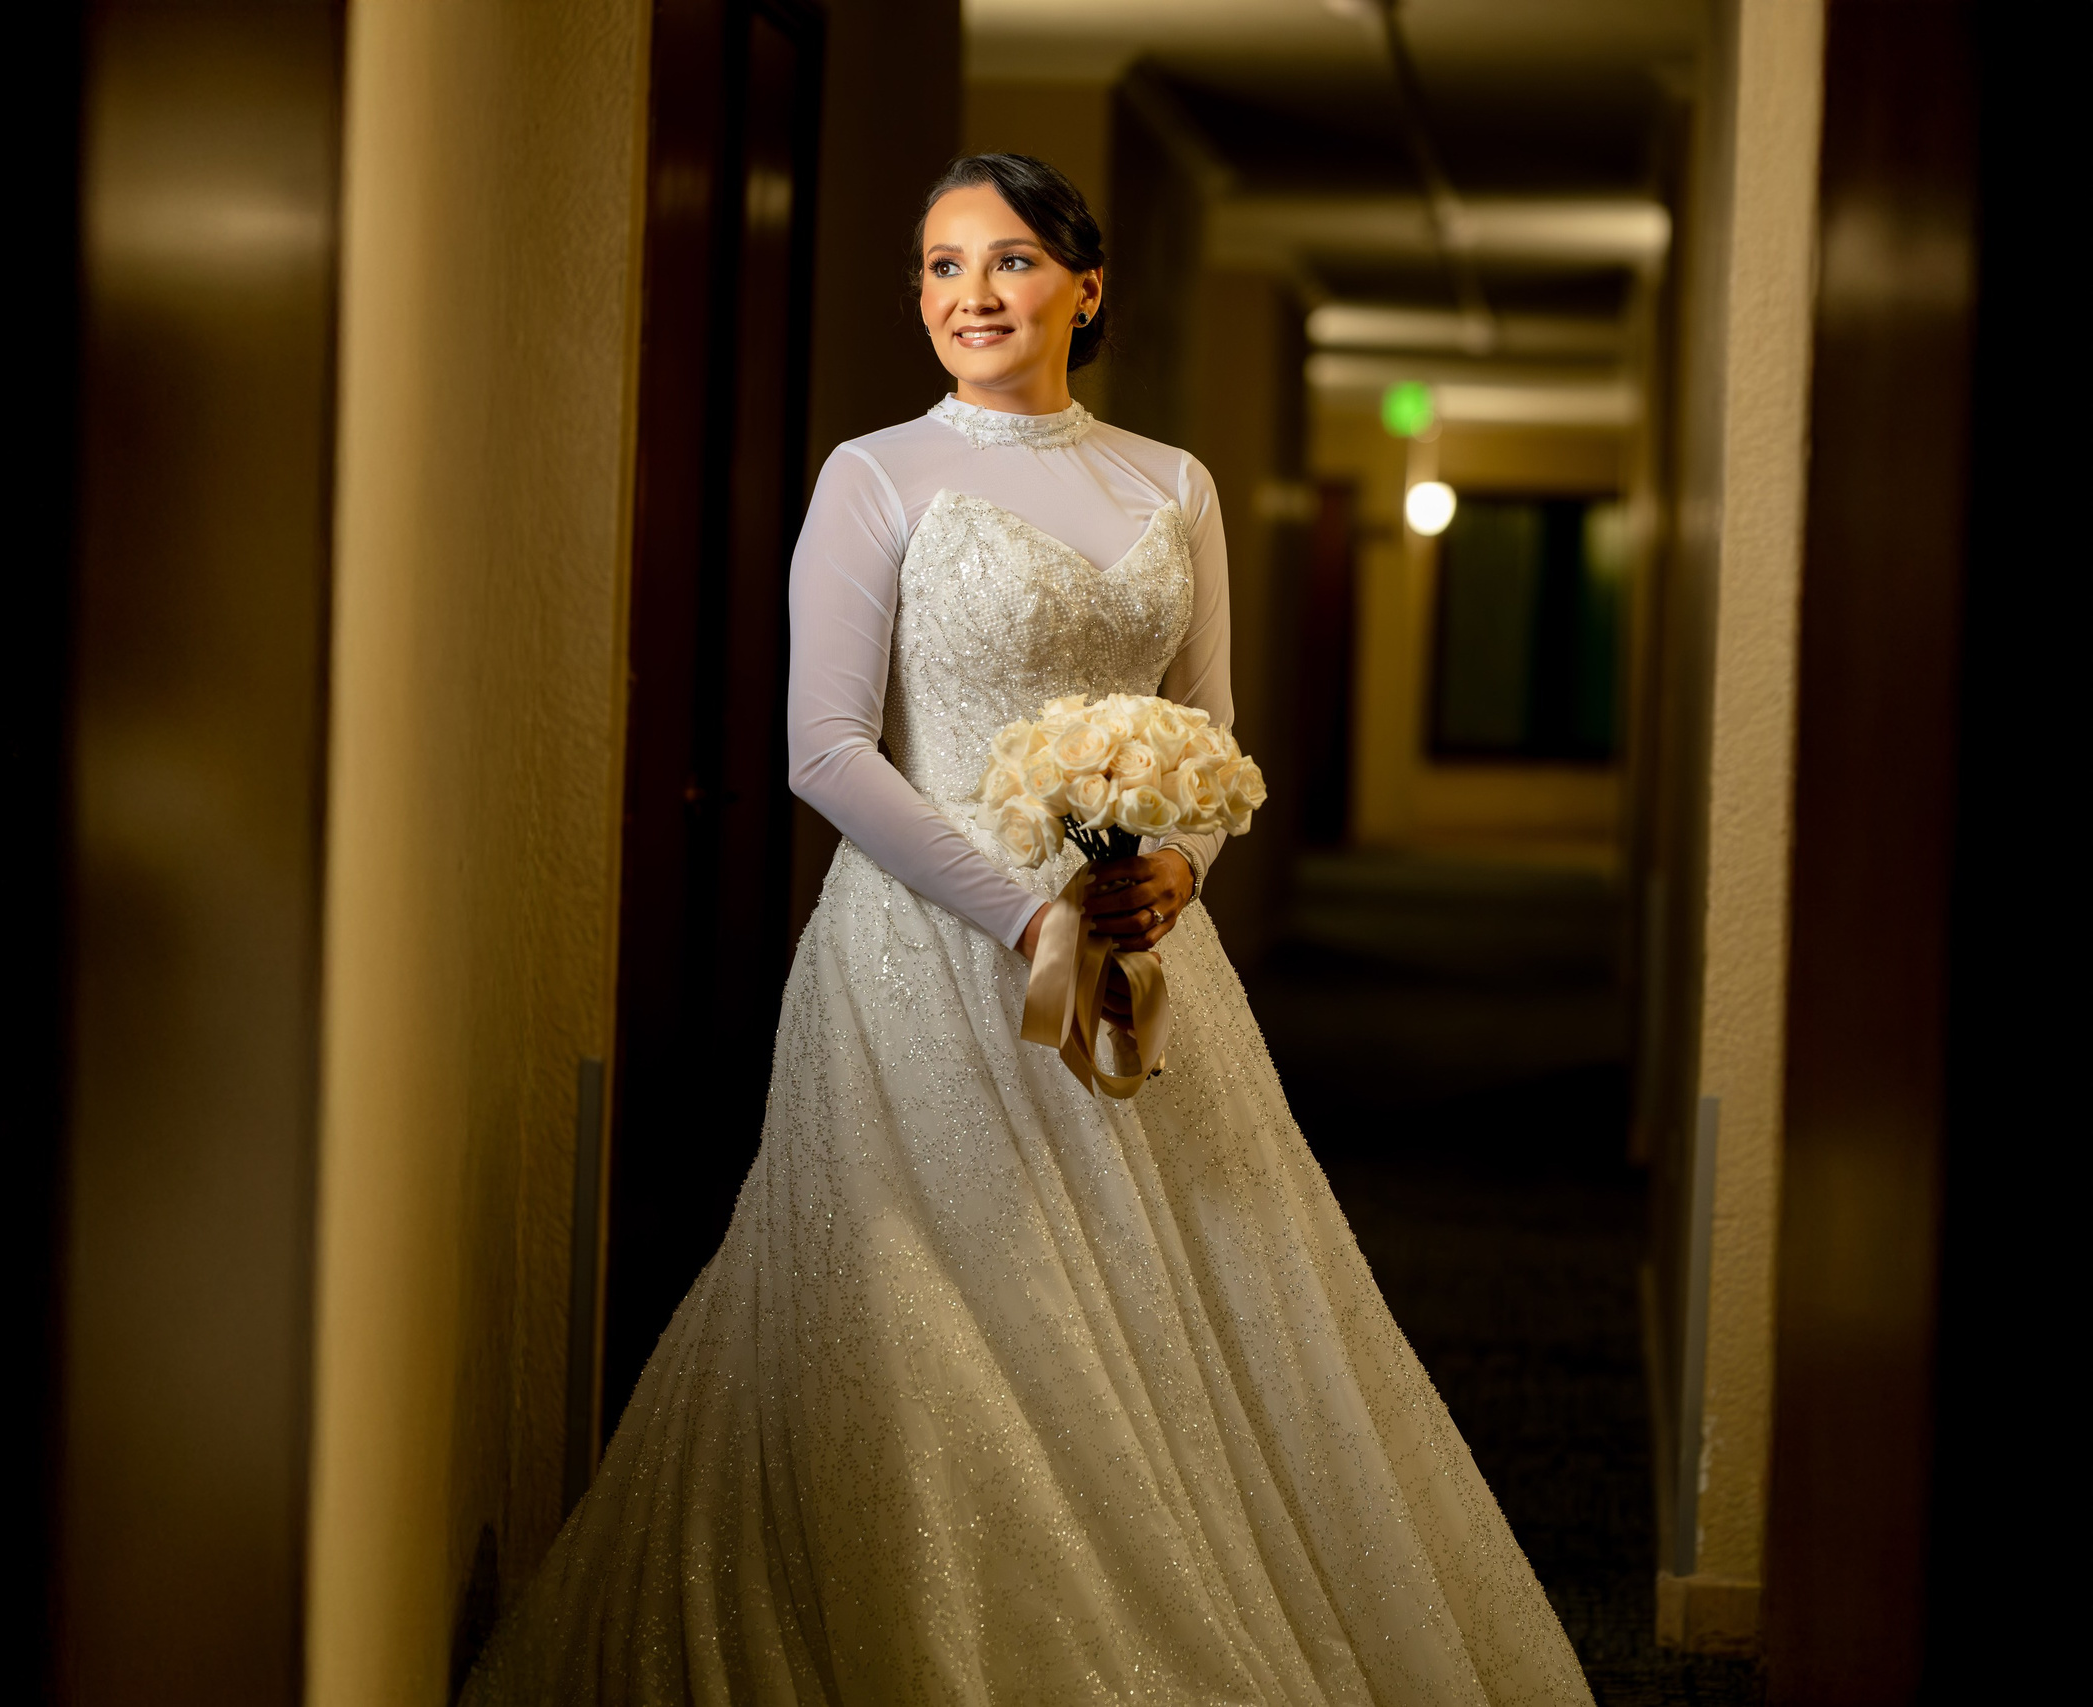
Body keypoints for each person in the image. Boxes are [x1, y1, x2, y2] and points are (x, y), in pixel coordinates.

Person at [463, 154, 1594, 1706]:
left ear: (1086, 283)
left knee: (1189, 1309)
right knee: (941, 1322)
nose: (969, 296)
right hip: (922, 960)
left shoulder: (1173, 481)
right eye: (938, 266)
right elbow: (823, 752)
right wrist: (1025, 913)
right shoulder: (875, 476)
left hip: (1140, 952)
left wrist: (1176, 874)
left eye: (1005, 261)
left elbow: (1212, 724)